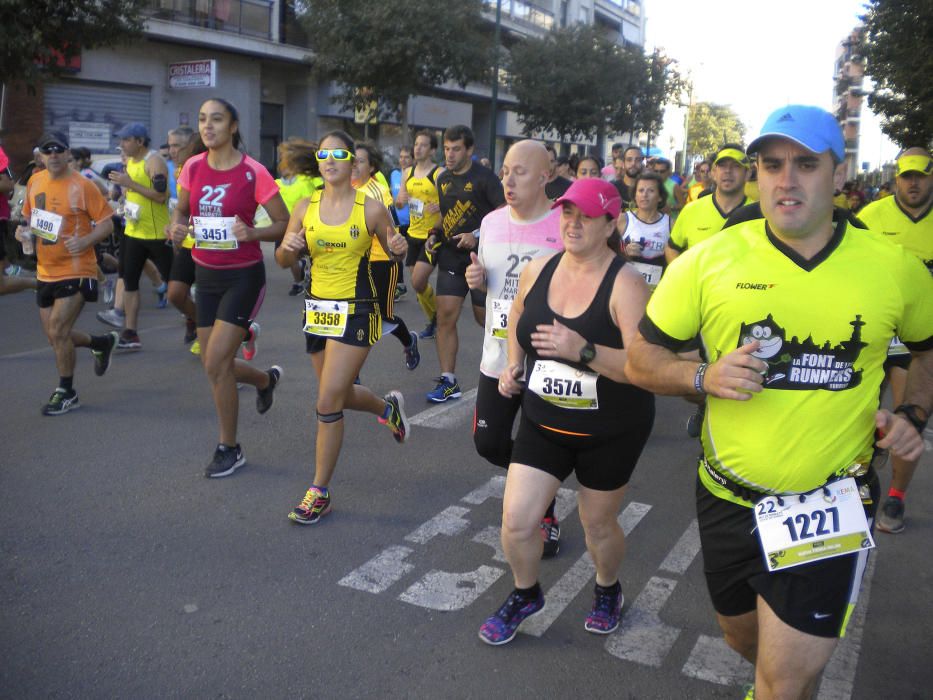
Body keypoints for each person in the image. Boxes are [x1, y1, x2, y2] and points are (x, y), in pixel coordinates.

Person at [626, 105, 933, 700]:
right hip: (726, 496)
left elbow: (925, 352)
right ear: (756, 174)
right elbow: (641, 358)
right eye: (771, 165)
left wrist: (913, 415)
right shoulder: (710, 260)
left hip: (831, 502)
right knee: (744, 639)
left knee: (783, 679)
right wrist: (702, 376)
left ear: (838, 176)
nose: (786, 179)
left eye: (805, 164)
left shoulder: (894, 268)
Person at [477, 177, 654, 645]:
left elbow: (642, 368)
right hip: (544, 419)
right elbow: (517, 314)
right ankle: (525, 592)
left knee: (598, 525)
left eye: (587, 216)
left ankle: (607, 588)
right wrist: (513, 366)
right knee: (516, 521)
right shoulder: (541, 268)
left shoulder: (627, 283)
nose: (573, 224)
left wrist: (583, 350)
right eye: (567, 213)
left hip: (610, 428)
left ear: (611, 222)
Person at [275, 130, 410, 525]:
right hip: (317, 310)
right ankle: (388, 408)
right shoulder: (304, 207)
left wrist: (399, 250)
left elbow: (392, 251)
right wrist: (289, 250)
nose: (330, 159)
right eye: (323, 154)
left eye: (338, 153)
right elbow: (284, 259)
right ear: (317, 162)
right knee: (336, 393)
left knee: (327, 400)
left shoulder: (369, 208)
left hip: (358, 309)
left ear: (352, 161)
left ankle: (319, 491)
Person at [168, 97, 289, 477]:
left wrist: (253, 231)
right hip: (206, 274)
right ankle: (264, 379)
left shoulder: (254, 172)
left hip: (243, 276)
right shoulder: (192, 167)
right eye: (203, 119)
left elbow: (284, 223)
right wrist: (177, 227)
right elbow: (182, 212)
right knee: (213, 363)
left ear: (233, 126)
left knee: (216, 362)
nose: (208, 126)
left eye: (216, 120)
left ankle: (229, 447)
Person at [466, 140, 565, 557]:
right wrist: (477, 281)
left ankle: (542, 510)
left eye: (520, 171)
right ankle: (542, 488)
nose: (508, 179)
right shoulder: (489, 223)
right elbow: (488, 298)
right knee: (488, 443)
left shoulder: (564, 224)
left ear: (545, 175)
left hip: (548, 357)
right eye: (505, 170)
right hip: (498, 356)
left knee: (539, 438)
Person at [857, 147, 933, 534]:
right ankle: (854, 473)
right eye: (907, 176)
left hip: (919, 336)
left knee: (909, 417)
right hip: (874, 326)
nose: (914, 182)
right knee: (854, 406)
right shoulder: (872, 216)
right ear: (896, 178)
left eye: (920, 175)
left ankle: (897, 498)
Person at [16, 132, 120, 414]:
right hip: (46, 269)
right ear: (41, 156)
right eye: (47, 151)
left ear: (67, 153)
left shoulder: (82, 185)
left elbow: (108, 223)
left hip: (77, 268)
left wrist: (86, 241)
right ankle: (101, 342)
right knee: (54, 336)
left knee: (59, 330)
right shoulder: (36, 180)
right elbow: (30, 218)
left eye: (58, 151)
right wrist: (22, 232)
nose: (53, 156)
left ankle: (67, 391)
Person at [425, 124, 505, 403]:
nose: (449, 154)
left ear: (469, 150)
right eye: (446, 148)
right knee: (445, 316)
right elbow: (445, 215)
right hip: (450, 257)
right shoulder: (443, 178)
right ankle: (448, 380)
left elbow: (505, 213)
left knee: (486, 319)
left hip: (484, 260)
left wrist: (477, 235)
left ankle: (510, 366)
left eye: (456, 148)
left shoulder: (486, 179)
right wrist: (434, 233)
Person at [353, 141, 420, 371]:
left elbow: (390, 230)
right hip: (354, 263)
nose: (354, 165)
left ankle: (409, 341)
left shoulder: (376, 192)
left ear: (371, 167)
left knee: (382, 317)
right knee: (357, 315)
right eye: (351, 160)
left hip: (381, 260)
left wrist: (396, 248)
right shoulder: (343, 189)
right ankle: (352, 373)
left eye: (360, 161)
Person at [107, 123, 172, 349]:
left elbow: (160, 196)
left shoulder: (153, 161)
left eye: (126, 140)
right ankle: (130, 332)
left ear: (140, 142)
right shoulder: (131, 162)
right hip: (133, 231)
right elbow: (134, 194)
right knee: (130, 281)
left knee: (176, 284)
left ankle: (195, 318)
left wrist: (129, 184)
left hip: (156, 234)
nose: (121, 145)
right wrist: (123, 193)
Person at [666, 144, 751, 263]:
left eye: (736, 166)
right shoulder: (691, 210)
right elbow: (672, 248)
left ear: (747, 174)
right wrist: (684, 277)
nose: (728, 171)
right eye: (722, 166)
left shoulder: (761, 214)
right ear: (713, 173)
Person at [396, 130, 441, 339]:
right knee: (418, 285)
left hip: (431, 236)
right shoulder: (407, 173)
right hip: (413, 234)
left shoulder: (439, 174)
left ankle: (438, 317)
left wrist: (439, 206)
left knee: (417, 281)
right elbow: (400, 202)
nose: (418, 148)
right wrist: (401, 199)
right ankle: (435, 319)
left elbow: (451, 202)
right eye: (416, 144)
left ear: (432, 150)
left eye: (423, 145)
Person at [163, 126, 203, 351]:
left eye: (178, 146)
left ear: (192, 146)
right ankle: (199, 321)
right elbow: (181, 207)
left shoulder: (208, 167)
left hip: (213, 243)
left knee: (209, 296)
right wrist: (175, 226)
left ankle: (212, 334)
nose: (172, 151)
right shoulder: (180, 171)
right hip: (187, 241)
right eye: (170, 146)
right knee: (176, 294)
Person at [274, 137, 322, 297]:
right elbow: (282, 261)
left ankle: (302, 275)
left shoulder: (310, 183)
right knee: (286, 256)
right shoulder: (279, 184)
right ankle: (299, 280)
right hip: (291, 227)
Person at [617, 171, 671, 291]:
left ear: (660, 196)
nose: (644, 195)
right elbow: (606, 250)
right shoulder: (623, 220)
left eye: (651, 191)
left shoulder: (670, 224)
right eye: (640, 191)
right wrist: (623, 250)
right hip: (627, 286)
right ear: (635, 195)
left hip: (658, 289)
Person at [390, 145, 413, 300]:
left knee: (413, 260)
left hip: (414, 223)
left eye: (406, 157)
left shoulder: (416, 176)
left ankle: (422, 287)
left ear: (413, 159)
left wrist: (411, 201)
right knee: (395, 253)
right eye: (401, 156)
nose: (403, 160)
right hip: (397, 221)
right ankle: (399, 285)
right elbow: (391, 196)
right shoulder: (394, 174)